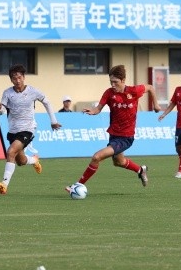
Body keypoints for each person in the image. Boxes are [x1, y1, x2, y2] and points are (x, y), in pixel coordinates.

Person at [65, 65, 161, 194]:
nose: (113, 85)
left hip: (126, 137)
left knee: (96, 157)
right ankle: (140, 170)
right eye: (111, 82)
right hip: (114, 135)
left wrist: (156, 104)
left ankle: (77, 185)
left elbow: (150, 87)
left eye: (115, 82)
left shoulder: (134, 91)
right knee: (119, 162)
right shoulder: (109, 93)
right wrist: (93, 111)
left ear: (123, 80)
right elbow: (98, 108)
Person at [0, 64, 61, 195]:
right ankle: (34, 160)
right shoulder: (7, 93)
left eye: (19, 77)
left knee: (10, 152)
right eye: (14, 78)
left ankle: (4, 184)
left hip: (28, 129)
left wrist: (53, 121)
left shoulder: (33, 91)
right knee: (20, 161)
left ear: (24, 77)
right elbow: (2, 110)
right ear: (11, 80)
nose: (17, 81)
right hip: (13, 130)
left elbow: (46, 102)